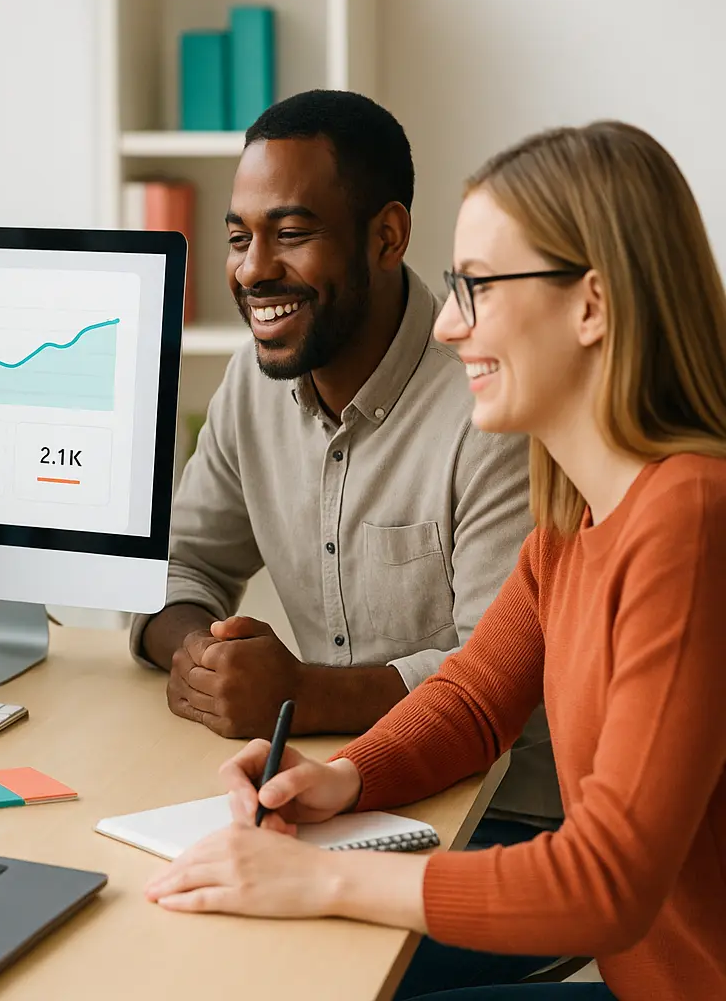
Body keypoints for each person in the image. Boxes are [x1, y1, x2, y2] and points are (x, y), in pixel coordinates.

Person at [146, 121, 726, 1000]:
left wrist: (327, 879)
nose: (450, 325)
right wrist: (340, 778)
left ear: (592, 306)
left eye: (479, 289)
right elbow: (468, 703)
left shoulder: (690, 521)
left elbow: (606, 882)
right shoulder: (574, 522)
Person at [131, 90, 560, 840]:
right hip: (329, 782)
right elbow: (172, 566)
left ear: (387, 237)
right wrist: (203, 658)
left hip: (499, 814)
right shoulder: (250, 387)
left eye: (291, 233)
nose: (254, 271)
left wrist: (300, 693)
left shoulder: (489, 406)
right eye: (239, 238)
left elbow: (496, 682)